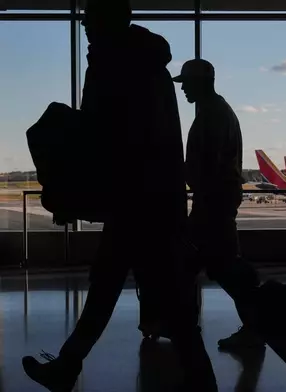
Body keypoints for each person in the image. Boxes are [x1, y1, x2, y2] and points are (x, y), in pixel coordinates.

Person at [21, 1, 218, 391]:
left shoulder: (112, 65)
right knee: (125, 291)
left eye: (89, 18)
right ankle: (68, 364)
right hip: (151, 201)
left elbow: (102, 138)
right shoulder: (150, 66)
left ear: (105, 21)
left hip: (134, 202)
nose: (84, 25)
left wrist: (70, 182)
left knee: (133, 295)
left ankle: (70, 367)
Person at [172, 59, 264, 351]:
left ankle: (252, 328)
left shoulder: (212, 115)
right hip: (217, 200)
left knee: (219, 268)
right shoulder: (219, 111)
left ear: (200, 82)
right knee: (211, 266)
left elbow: (207, 165)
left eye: (186, 82)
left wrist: (180, 173)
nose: (183, 88)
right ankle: (248, 327)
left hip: (212, 203)